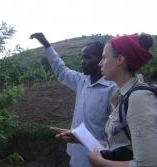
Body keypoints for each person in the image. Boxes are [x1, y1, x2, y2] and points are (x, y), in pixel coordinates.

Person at [30, 33, 118, 167]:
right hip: (76, 154)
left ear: (102, 60)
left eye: (88, 57)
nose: (82, 61)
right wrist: (47, 45)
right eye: (82, 57)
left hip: (100, 158)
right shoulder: (82, 81)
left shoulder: (113, 90)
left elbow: (118, 134)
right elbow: (61, 71)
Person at [88, 33, 157, 167]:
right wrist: (82, 139)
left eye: (104, 57)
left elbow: (148, 164)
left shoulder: (139, 98)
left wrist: (100, 162)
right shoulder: (122, 96)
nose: (100, 63)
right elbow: (122, 143)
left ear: (120, 59)